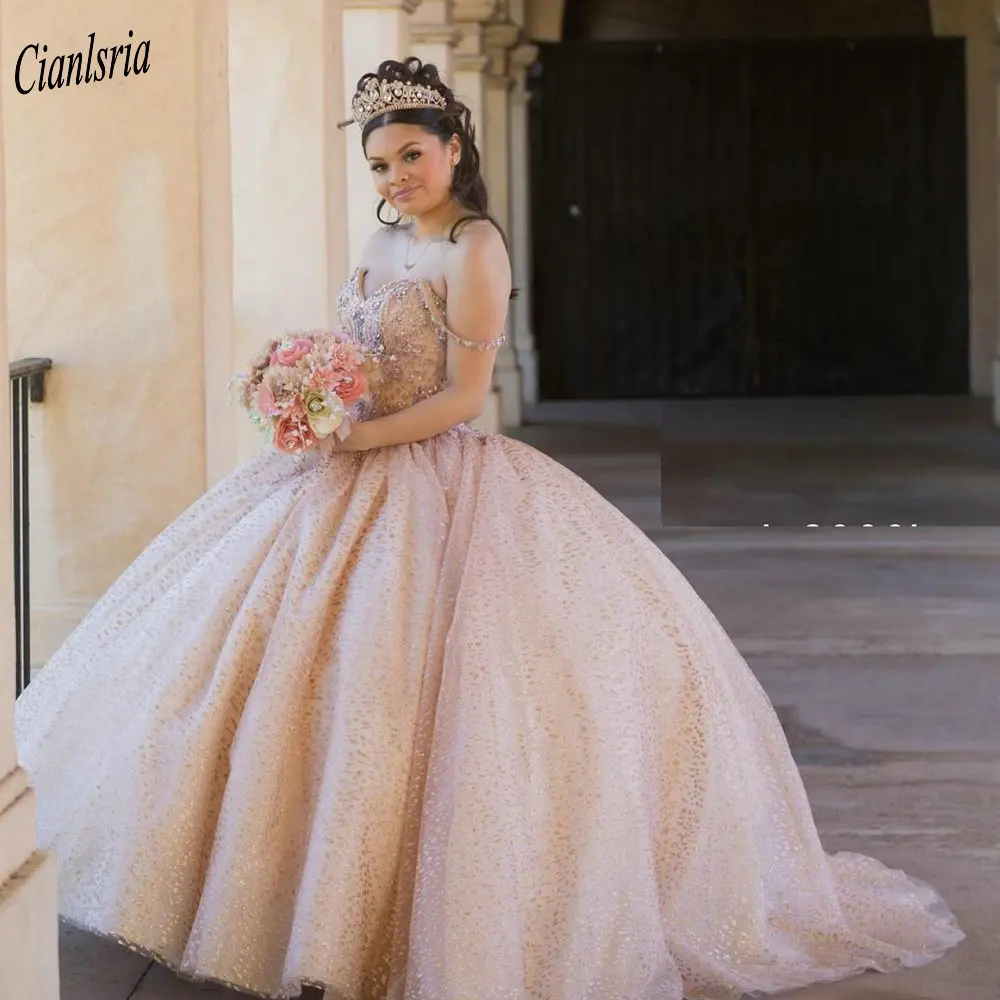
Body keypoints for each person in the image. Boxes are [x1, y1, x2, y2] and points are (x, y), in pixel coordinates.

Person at [15, 57, 964, 1000]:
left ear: (455, 148)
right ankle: (289, 901)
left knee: (436, 701)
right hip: (335, 474)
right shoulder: (384, 241)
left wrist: (356, 438)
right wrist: (296, 374)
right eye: (380, 165)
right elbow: (360, 346)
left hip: (429, 477)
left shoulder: (476, 249)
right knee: (276, 681)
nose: (395, 179)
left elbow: (464, 396)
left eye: (412, 157)